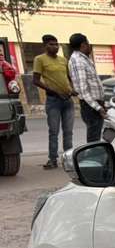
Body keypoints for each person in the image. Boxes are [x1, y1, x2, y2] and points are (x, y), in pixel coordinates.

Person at [32, 35, 75, 169]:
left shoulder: (63, 60)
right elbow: (36, 80)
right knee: (54, 132)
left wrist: (72, 90)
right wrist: (54, 91)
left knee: (68, 132)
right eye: (51, 44)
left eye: (57, 44)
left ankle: (69, 160)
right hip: (53, 100)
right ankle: (53, 159)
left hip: (68, 100)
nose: (55, 47)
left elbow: (69, 78)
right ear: (45, 46)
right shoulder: (39, 59)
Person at [68, 33, 106, 144]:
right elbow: (83, 89)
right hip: (90, 106)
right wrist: (98, 107)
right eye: (88, 43)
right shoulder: (78, 61)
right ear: (83, 45)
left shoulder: (84, 59)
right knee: (93, 140)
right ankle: (93, 159)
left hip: (94, 103)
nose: (90, 46)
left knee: (96, 137)